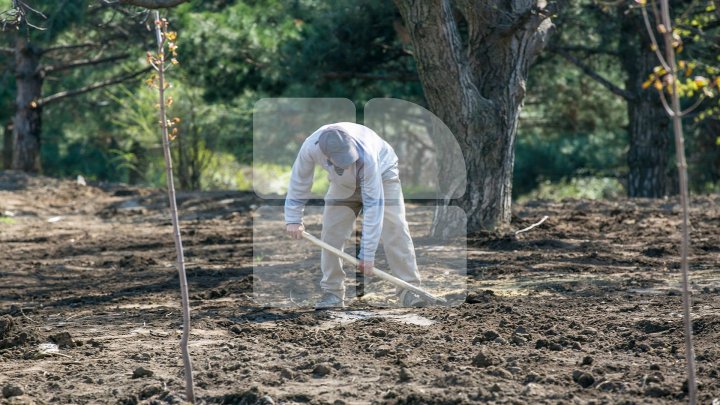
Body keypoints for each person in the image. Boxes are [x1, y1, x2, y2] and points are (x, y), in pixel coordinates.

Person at [284, 122, 423, 309]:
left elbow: (374, 207)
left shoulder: (367, 153)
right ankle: (332, 293)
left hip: (383, 176)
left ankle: (410, 290)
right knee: (331, 233)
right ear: (326, 154)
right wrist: (293, 218)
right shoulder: (310, 147)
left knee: (395, 229)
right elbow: (300, 180)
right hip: (342, 184)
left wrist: (367, 253)